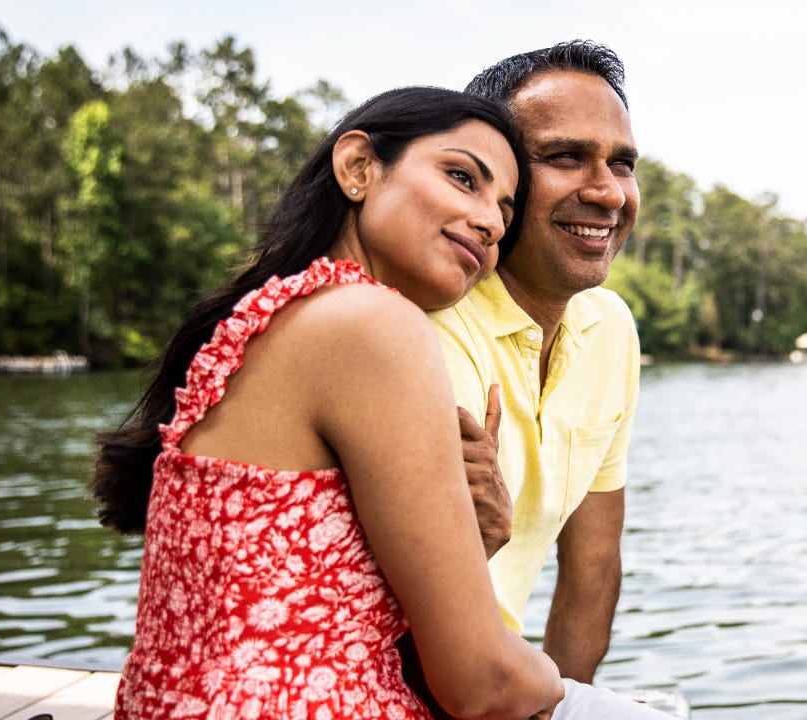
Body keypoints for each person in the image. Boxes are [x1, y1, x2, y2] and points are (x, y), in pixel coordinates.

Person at [91, 86, 565, 719]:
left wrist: (466, 539)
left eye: (504, 211)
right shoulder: (371, 323)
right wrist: (555, 682)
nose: (489, 221)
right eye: (462, 177)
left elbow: (313, 596)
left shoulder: (270, 316)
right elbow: (481, 682)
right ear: (359, 168)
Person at [427, 41, 658, 717]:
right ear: (492, 175)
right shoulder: (434, 325)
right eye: (566, 157)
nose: (608, 192)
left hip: (510, 686)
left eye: (622, 164)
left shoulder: (608, 326)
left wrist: (568, 699)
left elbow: (592, 568)